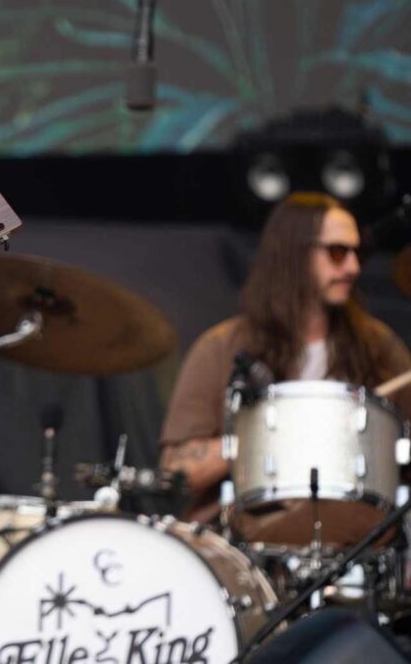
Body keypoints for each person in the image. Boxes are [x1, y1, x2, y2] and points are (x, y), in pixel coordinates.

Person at [159, 192, 411, 523]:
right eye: (337, 252)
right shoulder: (222, 347)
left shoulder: (377, 344)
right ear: (294, 254)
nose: (353, 266)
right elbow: (176, 473)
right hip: (244, 542)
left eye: (357, 252)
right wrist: (268, 436)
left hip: (358, 543)